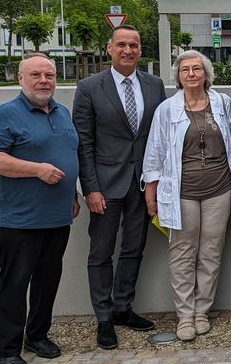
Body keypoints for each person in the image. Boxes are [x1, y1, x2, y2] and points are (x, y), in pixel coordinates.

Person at [0, 54, 81, 364]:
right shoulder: (4, 114)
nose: (43, 81)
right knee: (15, 283)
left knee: (47, 280)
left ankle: (37, 335)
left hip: (57, 215)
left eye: (49, 75)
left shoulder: (62, 112)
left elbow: (67, 154)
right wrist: (36, 170)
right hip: (19, 218)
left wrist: (73, 194)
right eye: (35, 75)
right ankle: (8, 352)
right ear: (20, 79)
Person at [74, 25, 166, 349]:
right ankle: (103, 319)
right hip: (105, 186)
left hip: (142, 184)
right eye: (122, 44)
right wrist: (90, 188)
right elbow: (83, 142)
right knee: (101, 252)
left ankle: (122, 308)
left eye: (134, 45)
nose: (128, 50)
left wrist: (158, 181)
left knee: (133, 248)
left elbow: (159, 136)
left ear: (141, 50)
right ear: (109, 47)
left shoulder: (155, 85)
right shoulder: (88, 87)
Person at [142, 51, 231, 341]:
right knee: (182, 253)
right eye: (185, 70)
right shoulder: (167, 109)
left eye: (196, 69)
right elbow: (155, 152)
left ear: (206, 73)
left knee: (211, 251)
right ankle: (184, 315)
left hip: (219, 189)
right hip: (181, 192)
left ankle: (202, 311)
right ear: (178, 76)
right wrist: (151, 193)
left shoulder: (223, 104)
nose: (191, 74)